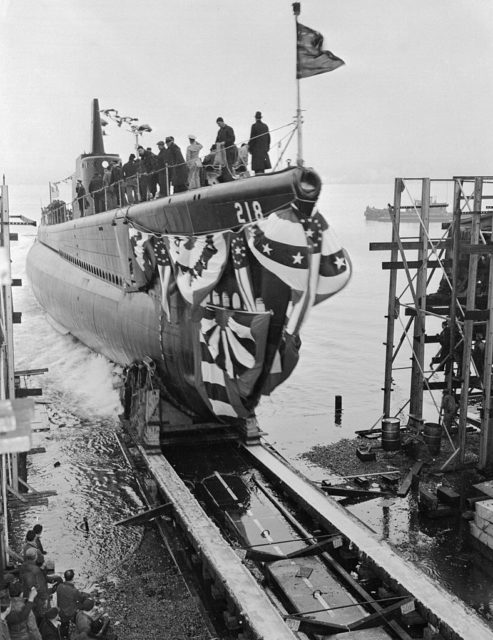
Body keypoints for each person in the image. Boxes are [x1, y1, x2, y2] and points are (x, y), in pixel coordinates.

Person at [55, 570, 88, 640]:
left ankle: (63, 636)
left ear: (64, 577)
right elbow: (81, 599)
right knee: (81, 611)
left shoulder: (59, 586)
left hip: (60, 611)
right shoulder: (74, 590)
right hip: (70, 613)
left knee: (64, 626)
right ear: (73, 578)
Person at [19, 548, 49, 623]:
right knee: (39, 617)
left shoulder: (23, 566)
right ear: (35, 556)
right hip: (36, 598)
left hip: (26, 594)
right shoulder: (36, 570)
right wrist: (45, 599)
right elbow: (41, 586)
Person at [248, 111, 271, 175]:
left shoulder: (254, 126)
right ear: (261, 117)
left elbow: (252, 138)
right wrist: (267, 148)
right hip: (263, 152)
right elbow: (268, 138)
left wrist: (249, 148)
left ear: (255, 118)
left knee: (257, 170)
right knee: (262, 169)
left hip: (256, 152)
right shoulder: (265, 126)